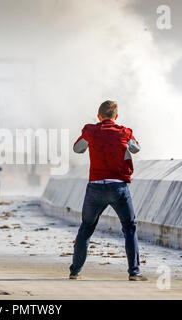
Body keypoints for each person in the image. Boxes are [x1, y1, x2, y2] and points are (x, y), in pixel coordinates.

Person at [69, 100, 147, 281]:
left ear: (99, 116)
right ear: (116, 116)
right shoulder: (125, 132)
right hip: (118, 187)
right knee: (129, 228)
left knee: (86, 228)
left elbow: (77, 148)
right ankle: (134, 272)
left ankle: (75, 271)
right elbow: (136, 148)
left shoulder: (91, 131)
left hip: (95, 187)